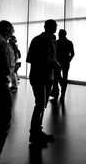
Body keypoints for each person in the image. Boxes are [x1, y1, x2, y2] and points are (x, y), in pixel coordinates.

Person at [26, 19, 60, 147]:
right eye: (53, 26)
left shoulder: (52, 40)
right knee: (40, 104)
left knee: (42, 105)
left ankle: (37, 132)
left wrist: (55, 64)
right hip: (39, 76)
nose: (54, 28)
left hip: (48, 77)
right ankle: (34, 134)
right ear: (46, 27)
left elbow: (52, 57)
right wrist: (50, 64)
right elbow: (31, 59)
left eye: (55, 26)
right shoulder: (38, 40)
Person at [0, 20, 14, 164]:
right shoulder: (2, 44)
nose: (12, 35)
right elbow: (6, 69)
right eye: (11, 32)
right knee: (4, 123)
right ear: (6, 30)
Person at [51, 29, 74, 101]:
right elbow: (72, 53)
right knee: (64, 78)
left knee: (56, 77)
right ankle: (62, 92)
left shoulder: (57, 42)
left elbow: (54, 52)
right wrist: (68, 60)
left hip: (58, 62)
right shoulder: (69, 42)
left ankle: (57, 91)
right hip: (65, 62)